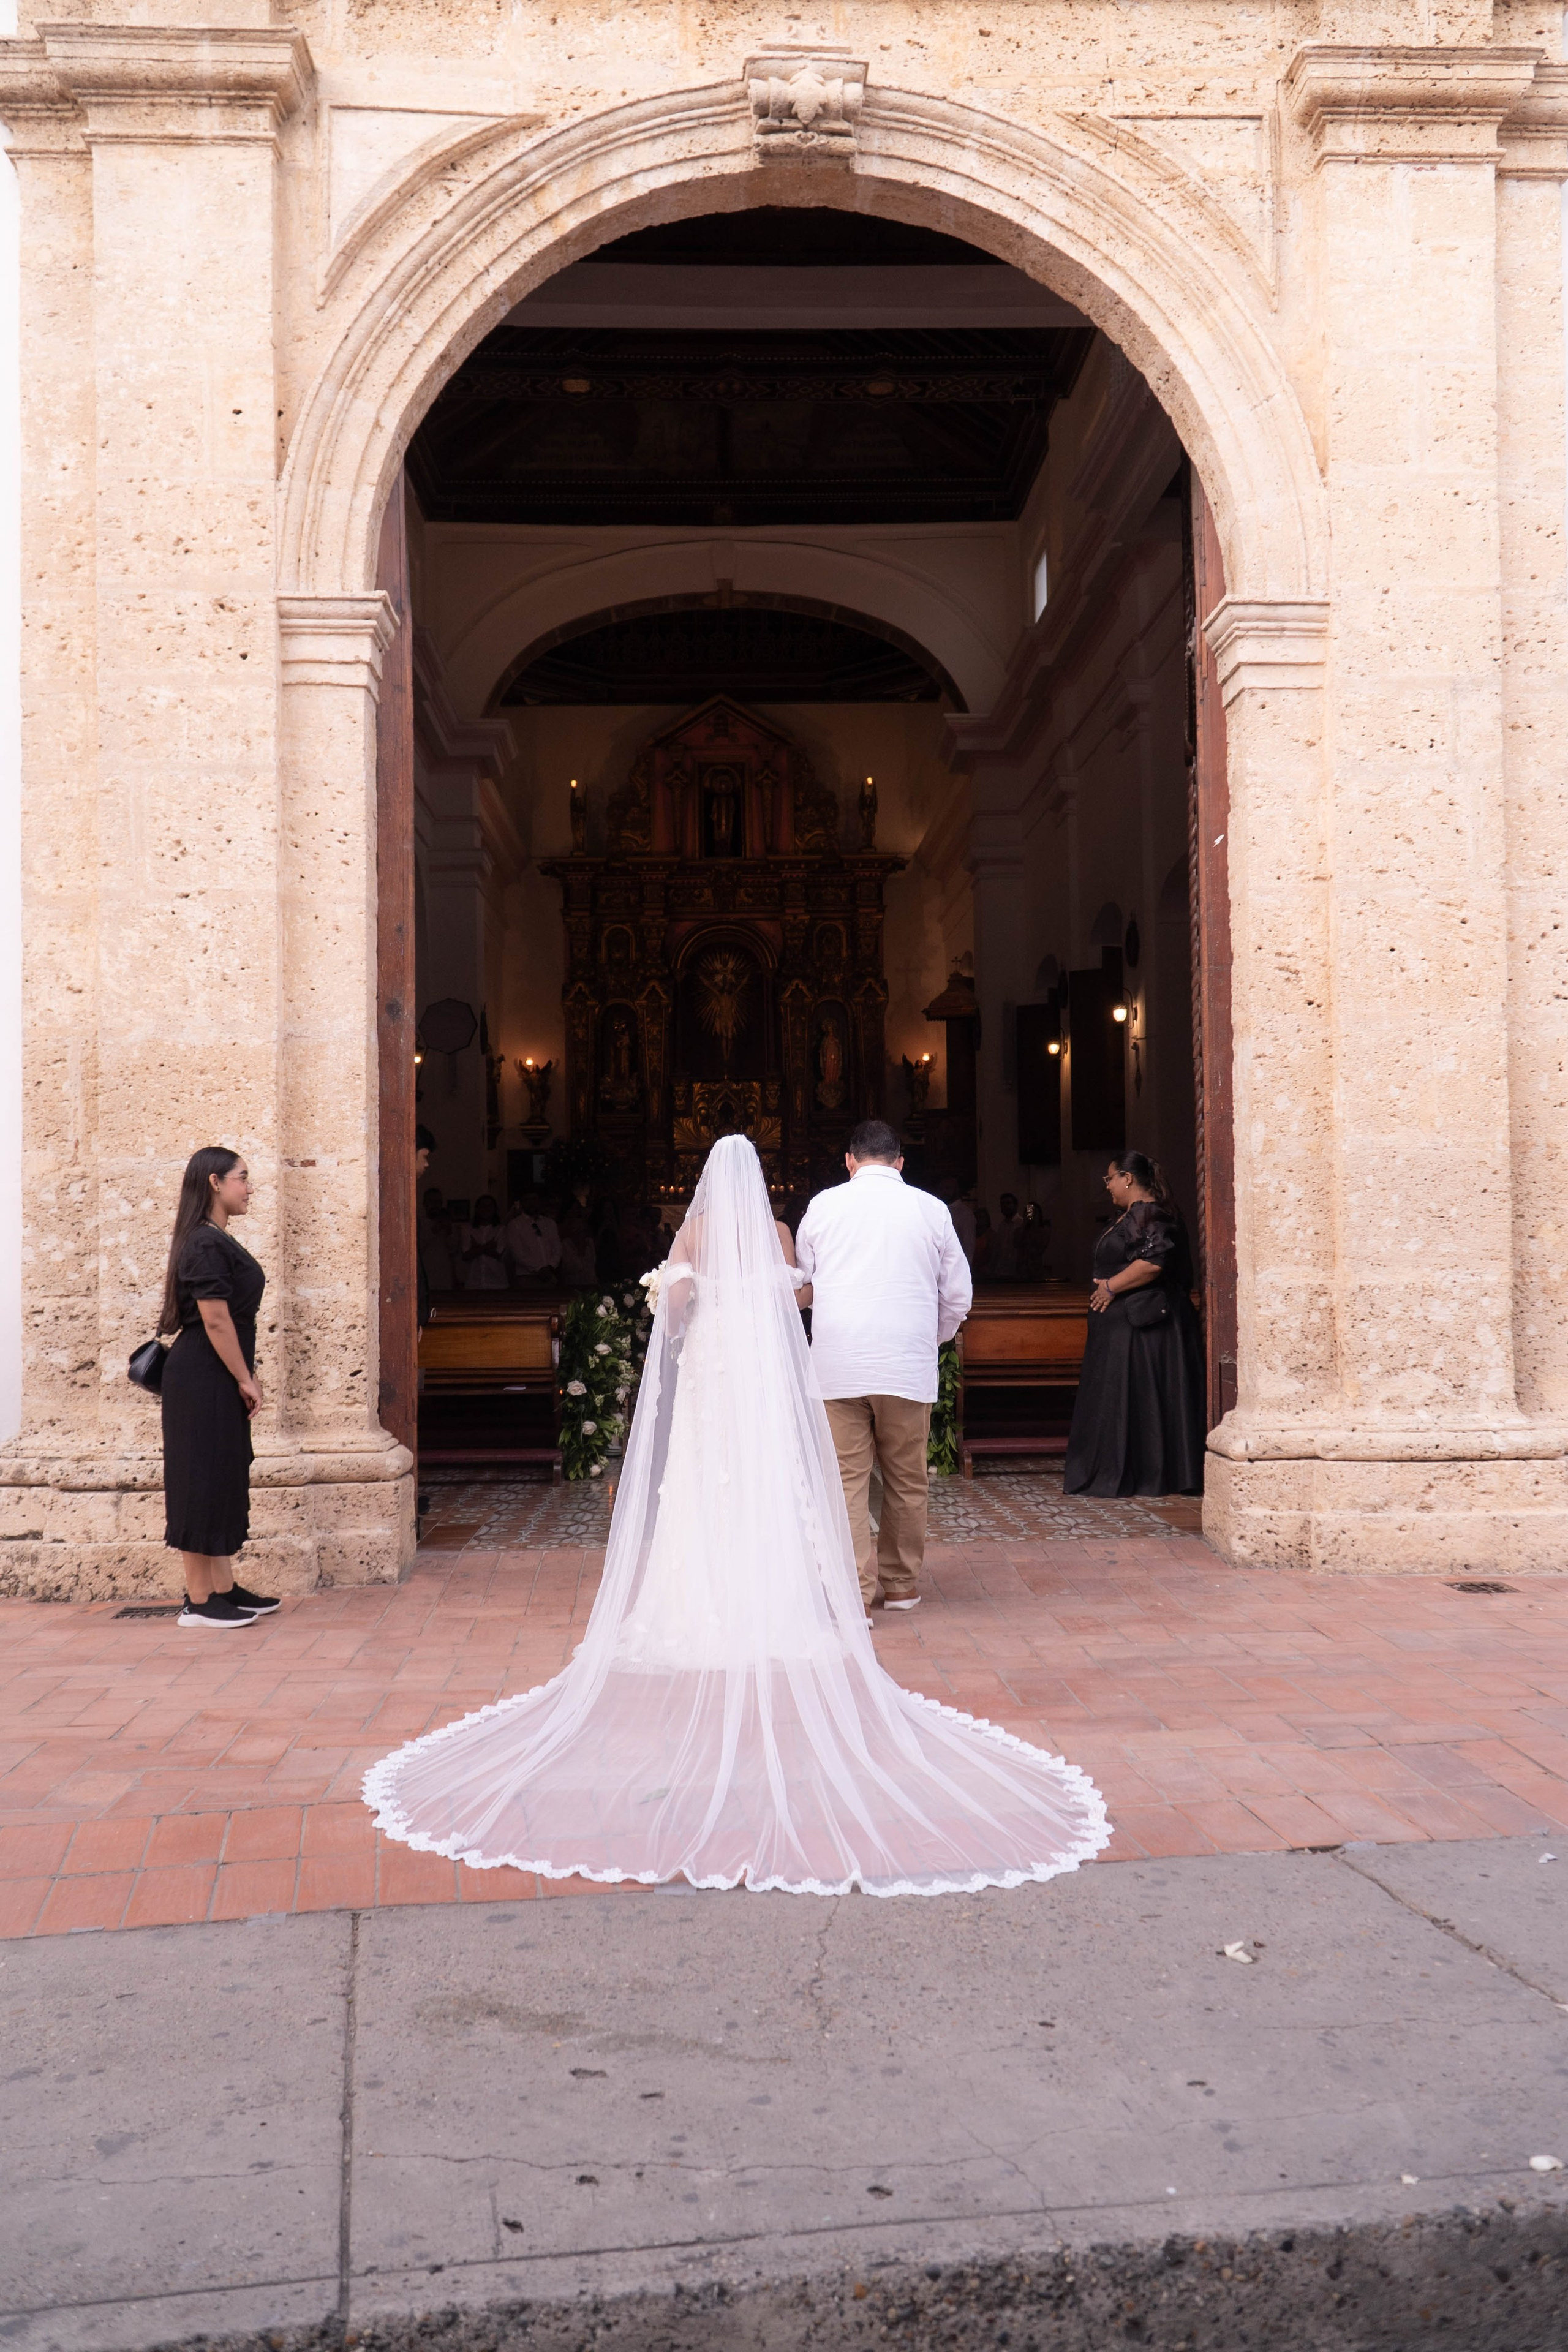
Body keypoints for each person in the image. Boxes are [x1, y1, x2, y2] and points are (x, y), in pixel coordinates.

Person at [364, 1133, 1109, 1895]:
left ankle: (812, 1587)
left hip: (727, 1376)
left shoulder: (704, 1230)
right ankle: (858, 1585)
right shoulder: (791, 1227)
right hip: (784, 1375)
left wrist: (680, 1289)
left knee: (734, 1485)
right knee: (836, 1480)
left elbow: (681, 1304)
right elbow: (804, 1296)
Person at [794, 1119, 971, 1616]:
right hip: (905, 1364)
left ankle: (853, 1592)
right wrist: (927, 1338)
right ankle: (900, 1586)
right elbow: (958, 1294)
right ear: (899, 1162)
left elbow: (805, 1282)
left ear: (850, 1161)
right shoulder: (931, 1209)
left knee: (847, 1480)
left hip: (838, 1362)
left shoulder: (825, 1206)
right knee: (907, 1478)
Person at [158, 1147, 279, 1630]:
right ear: (214, 1182)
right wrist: (244, 1377)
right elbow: (214, 1317)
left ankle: (224, 1588)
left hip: (216, 1374)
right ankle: (199, 1600)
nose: (249, 1189)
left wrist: (243, 1375)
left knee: (222, 1475)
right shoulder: (205, 1244)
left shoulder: (211, 1237)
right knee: (198, 1480)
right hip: (202, 1376)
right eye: (242, 1179)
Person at [1063, 1150, 1206, 1498]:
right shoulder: (1133, 1214)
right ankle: (1128, 1469)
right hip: (1130, 1329)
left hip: (1146, 1332)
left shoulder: (1149, 1213)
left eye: (1110, 1178)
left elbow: (1153, 1263)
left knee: (1140, 1402)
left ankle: (1141, 1473)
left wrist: (1111, 1287)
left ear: (1128, 1178)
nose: (1108, 1186)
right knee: (1129, 1401)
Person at [505, 1192, 560, 1286]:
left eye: (534, 1199)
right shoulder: (515, 1225)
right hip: (527, 1276)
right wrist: (538, 1269)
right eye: (527, 1200)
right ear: (522, 1203)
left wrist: (551, 1266)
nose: (531, 1203)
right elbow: (518, 1253)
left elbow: (557, 1247)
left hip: (550, 1275)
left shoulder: (549, 1223)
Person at [461, 1194, 509, 1290]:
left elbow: (499, 1253)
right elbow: (466, 1255)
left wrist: (477, 1248)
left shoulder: (501, 1229)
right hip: (474, 1283)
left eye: (490, 1206)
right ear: (477, 1209)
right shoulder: (467, 1229)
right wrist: (488, 1246)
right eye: (483, 1206)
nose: (486, 1209)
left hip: (497, 1283)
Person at [557, 1204, 597, 1288]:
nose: (580, 1234)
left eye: (582, 1230)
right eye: (577, 1230)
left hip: (590, 1285)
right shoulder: (565, 1244)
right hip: (571, 1286)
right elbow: (571, 1268)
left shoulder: (589, 1243)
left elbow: (592, 1264)